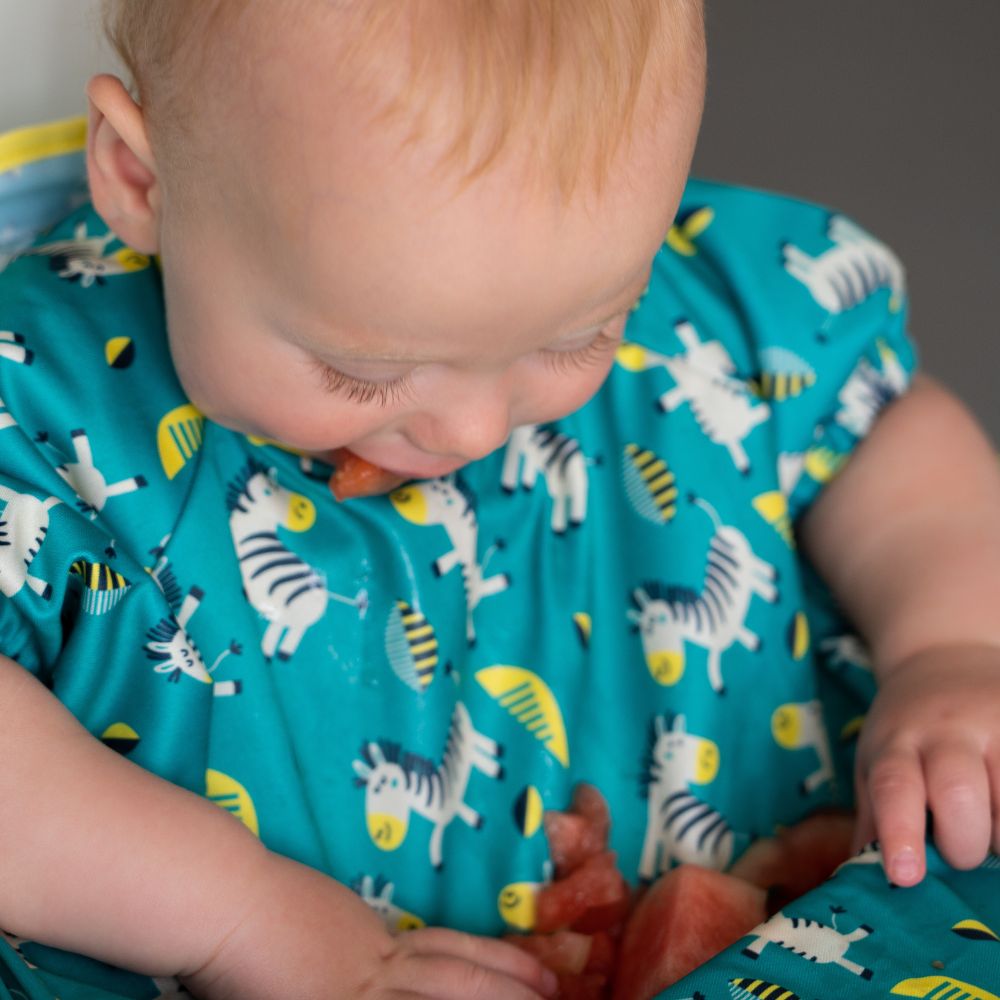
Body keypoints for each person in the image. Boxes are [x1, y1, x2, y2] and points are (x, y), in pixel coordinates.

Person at [0, 2, 998, 998]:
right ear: (141, 177)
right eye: (361, 369)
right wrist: (236, 915)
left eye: (577, 336)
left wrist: (952, 647)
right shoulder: (38, 412)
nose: (472, 430)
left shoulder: (707, 312)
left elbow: (882, 436)